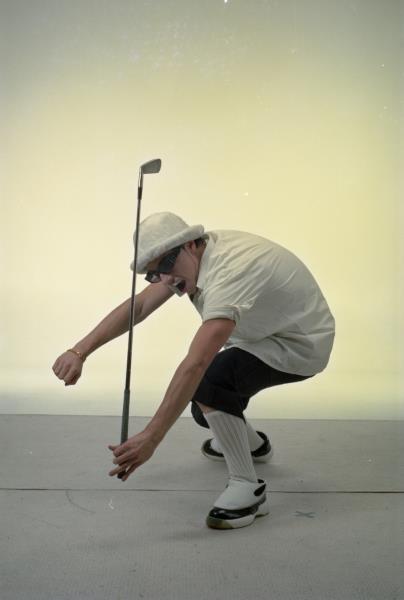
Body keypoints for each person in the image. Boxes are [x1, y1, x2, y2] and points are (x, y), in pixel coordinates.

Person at [52, 211, 335, 530]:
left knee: (208, 384)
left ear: (190, 245)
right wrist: (79, 351)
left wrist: (151, 437)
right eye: (153, 273)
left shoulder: (230, 272)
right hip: (263, 336)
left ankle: (247, 487)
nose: (165, 279)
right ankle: (254, 446)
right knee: (205, 411)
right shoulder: (188, 261)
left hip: (300, 344)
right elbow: (140, 306)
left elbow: (196, 363)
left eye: (167, 264)